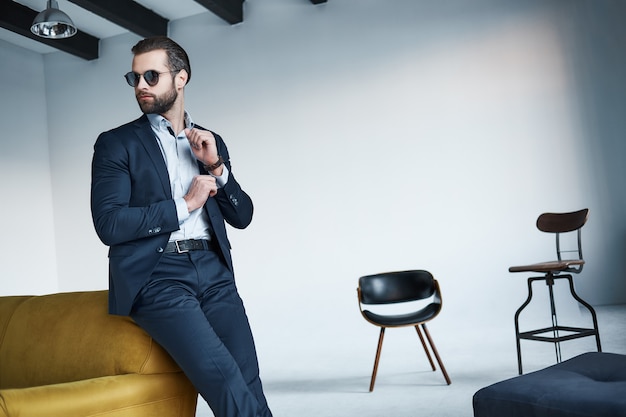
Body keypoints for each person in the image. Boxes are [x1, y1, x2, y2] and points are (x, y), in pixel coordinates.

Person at [90, 36, 272, 417]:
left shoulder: (209, 140)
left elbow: (242, 216)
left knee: (247, 378)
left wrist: (217, 169)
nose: (140, 86)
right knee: (223, 380)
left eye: (151, 76)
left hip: (215, 271)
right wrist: (184, 205)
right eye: (135, 77)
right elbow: (109, 223)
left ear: (180, 78)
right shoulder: (116, 144)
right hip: (157, 276)